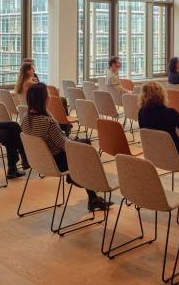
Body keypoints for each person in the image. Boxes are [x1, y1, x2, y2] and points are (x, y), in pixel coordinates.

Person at [21, 83, 111, 211]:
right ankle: (83, 183)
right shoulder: (48, 122)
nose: (50, 96)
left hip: (40, 160)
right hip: (58, 161)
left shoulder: (25, 119)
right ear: (43, 99)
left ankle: (91, 195)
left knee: (83, 144)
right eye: (48, 94)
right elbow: (65, 146)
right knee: (86, 147)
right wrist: (73, 140)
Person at [138, 81, 179, 167]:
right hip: (178, 154)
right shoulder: (170, 112)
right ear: (161, 94)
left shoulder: (141, 112)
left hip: (157, 152)